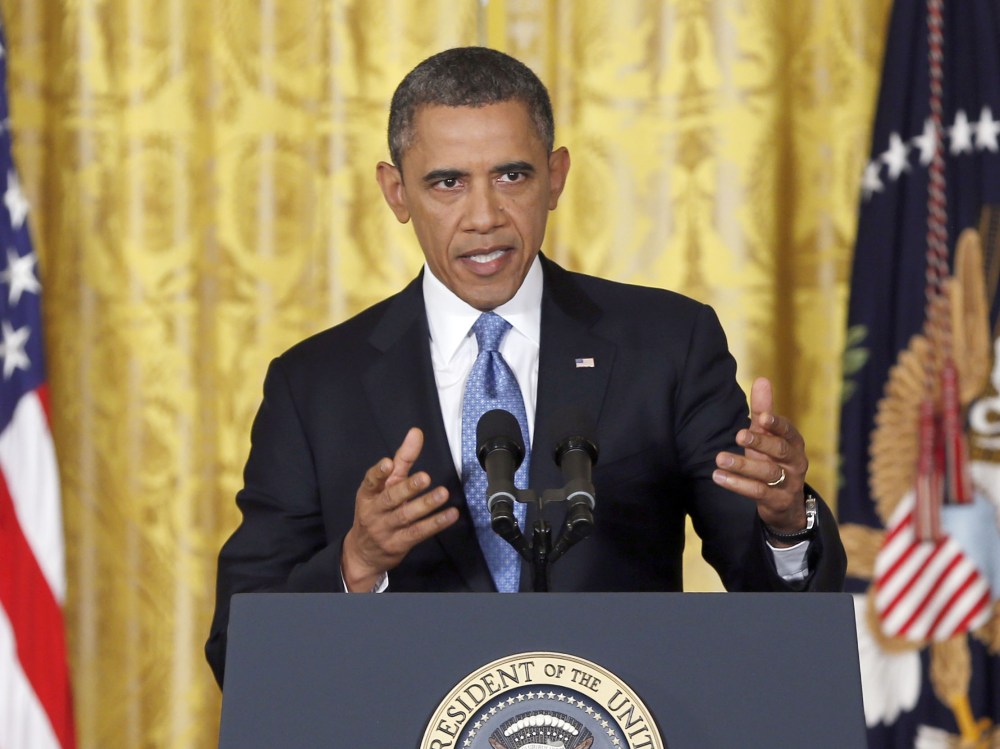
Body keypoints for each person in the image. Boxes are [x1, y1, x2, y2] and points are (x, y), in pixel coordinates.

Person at [205, 46, 846, 688]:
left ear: (556, 176)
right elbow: (241, 648)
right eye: (447, 182)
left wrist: (787, 522)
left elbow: (777, 607)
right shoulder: (315, 384)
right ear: (397, 192)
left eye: (512, 176)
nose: (484, 217)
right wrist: (358, 561)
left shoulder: (666, 345)